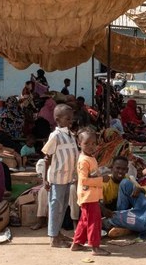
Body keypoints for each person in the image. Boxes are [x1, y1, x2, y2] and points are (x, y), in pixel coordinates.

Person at [42, 104, 79, 248]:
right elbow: (47, 158)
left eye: (71, 118)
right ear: (58, 119)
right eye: (67, 118)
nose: (71, 120)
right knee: (55, 206)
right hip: (57, 178)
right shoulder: (56, 136)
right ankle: (53, 238)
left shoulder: (70, 135)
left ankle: (57, 232)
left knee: (63, 206)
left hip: (68, 178)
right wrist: (44, 179)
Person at [70, 129, 110, 256]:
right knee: (94, 221)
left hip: (90, 195)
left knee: (85, 220)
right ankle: (95, 246)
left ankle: (77, 243)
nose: (91, 146)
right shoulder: (84, 160)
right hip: (88, 196)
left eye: (94, 143)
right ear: (79, 143)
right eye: (87, 143)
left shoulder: (89, 158)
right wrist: (101, 179)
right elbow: (84, 180)